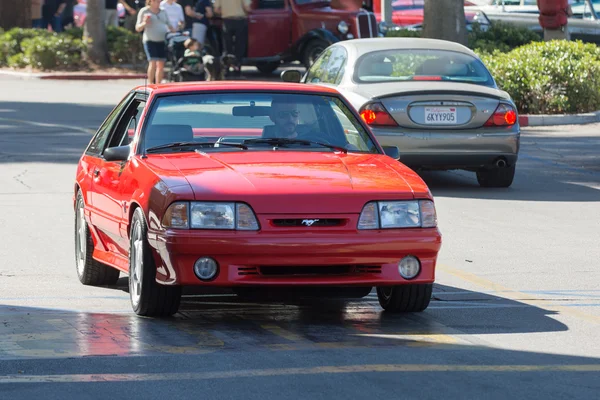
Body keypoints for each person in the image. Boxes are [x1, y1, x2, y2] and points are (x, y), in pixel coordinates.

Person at [136, 0, 176, 84]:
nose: (158, 3)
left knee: (161, 64)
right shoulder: (144, 11)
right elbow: (138, 28)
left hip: (162, 40)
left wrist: (176, 30)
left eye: (159, 2)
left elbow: (169, 25)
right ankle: (151, 83)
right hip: (150, 40)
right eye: (156, 1)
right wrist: (144, 23)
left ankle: (158, 84)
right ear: (150, 1)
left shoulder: (163, 11)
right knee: (153, 62)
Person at [213, 0, 251, 73]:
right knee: (239, 45)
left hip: (227, 21)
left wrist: (225, 12)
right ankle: (237, 67)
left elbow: (216, 10)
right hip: (240, 20)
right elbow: (247, 7)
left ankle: (226, 68)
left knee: (227, 46)